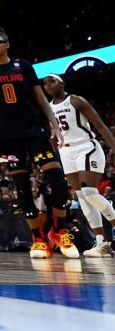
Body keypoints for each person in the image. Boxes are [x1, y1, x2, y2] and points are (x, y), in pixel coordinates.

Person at [0, 28, 74, 260]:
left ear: (7, 44)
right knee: (21, 187)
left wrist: (54, 124)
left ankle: (59, 231)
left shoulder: (24, 66)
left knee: (58, 180)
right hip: (6, 137)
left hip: (33, 131)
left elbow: (40, 97)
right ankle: (38, 239)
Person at [44, 73, 115, 257]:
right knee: (82, 197)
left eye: (52, 81)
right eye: (45, 83)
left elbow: (99, 126)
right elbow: (53, 134)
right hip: (65, 151)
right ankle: (102, 243)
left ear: (62, 83)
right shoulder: (48, 108)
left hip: (86, 146)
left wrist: (114, 146)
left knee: (90, 192)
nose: (48, 85)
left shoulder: (76, 101)